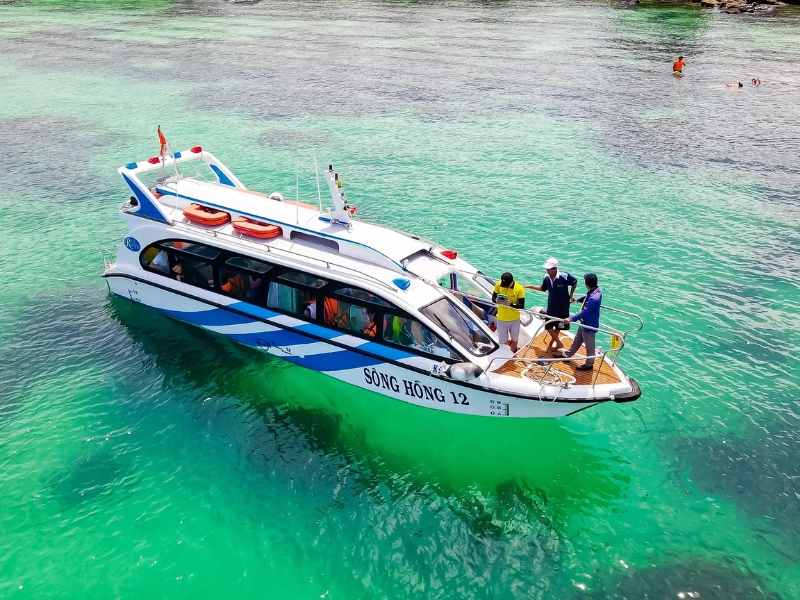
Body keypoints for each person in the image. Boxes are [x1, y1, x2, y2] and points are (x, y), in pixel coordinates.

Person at [525, 258, 577, 352]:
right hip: (552, 306)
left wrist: (571, 295)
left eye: (548, 268)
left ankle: (551, 345)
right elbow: (543, 288)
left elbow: (574, 282)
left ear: (554, 268)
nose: (546, 270)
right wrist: (531, 287)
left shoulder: (564, 276)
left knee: (558, 327)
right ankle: (559, 343)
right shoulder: (546, 277)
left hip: (563, 306)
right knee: (548, 326)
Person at [557, 273, 602, 371]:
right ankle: (567, 355)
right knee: (577, 341)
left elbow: (585, 311)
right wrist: (578, 300)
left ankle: (589, 364)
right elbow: (587, 297)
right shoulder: (596, 291)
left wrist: (570, 319)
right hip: (584, 322)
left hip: (589, 325)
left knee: (590, 346)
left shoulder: (593, 298)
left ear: (586, 284)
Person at [492, 272, 525, 352]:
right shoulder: (498, 284)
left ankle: (513, 353)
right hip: (501, 318)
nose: (504, 286)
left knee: (514, 339)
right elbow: (493, 297)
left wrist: (511, 304)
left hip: (514, 319)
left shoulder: (519, 288)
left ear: (512, 282)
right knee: (502, 341)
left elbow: (521, 305)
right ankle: (513, 347)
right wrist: (495, 300)